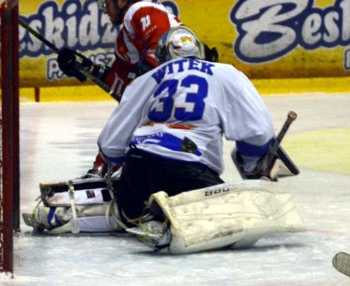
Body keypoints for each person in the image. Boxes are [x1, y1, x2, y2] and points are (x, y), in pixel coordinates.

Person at [97, 25, 275, 245]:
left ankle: (146, 213)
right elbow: (258, 133)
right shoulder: (226, 73)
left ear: (163, 55)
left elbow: (110, 146)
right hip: (190, 167)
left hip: (140, 164)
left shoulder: (147, 79)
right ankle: (171, 211)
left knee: (130, 203)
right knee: (232, 214)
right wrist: (252, 165)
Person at [57, 0, 219, 177]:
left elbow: (162, 45)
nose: (105, 8)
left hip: (191, 80)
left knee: (134, 112)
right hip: (176, 92)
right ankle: (109, 167)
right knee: (133, 112)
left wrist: (138, 82)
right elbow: (122, 88)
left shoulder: (138, 10)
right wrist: (86, 68)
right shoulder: (124, 41)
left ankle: (105, 166)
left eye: (107, 0)